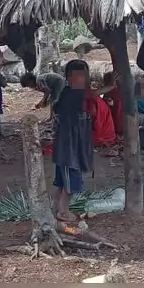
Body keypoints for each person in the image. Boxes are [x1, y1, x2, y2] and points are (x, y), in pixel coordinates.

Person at [51, 59, 93, 222]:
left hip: (68, 147)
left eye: (85, 75)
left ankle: (56, 208)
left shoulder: (69, 93)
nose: (83, 79)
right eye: (79, 76)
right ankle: (63, 211)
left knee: (62, 182)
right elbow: (92, 95)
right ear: (69, 77)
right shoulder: (73, 94)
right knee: (70, 182)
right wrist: (110, 85)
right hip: (69, 149)